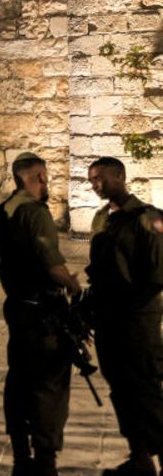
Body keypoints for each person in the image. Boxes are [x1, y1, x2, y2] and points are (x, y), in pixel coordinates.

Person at [0, 152, 81, 476]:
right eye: (44, 175)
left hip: (17, 306)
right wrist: (73, 284)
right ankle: (45, 458)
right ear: (38, 177)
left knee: (18, 381)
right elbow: (52, 264)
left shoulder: (0, 212)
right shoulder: (34, 212)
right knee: (49, 386)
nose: (47, 181)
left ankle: (19, 455)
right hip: (44, 312)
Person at [86, 156, 163, 476]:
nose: (95, 185)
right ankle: (140, 457)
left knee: (145, 389)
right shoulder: (101, 219)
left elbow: (158, 274)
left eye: (100, 178)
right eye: (91, 180)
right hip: (109, 321)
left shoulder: (148, 218)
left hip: (138, 321)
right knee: (121, 388)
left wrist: (127, 304)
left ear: (120, 176)